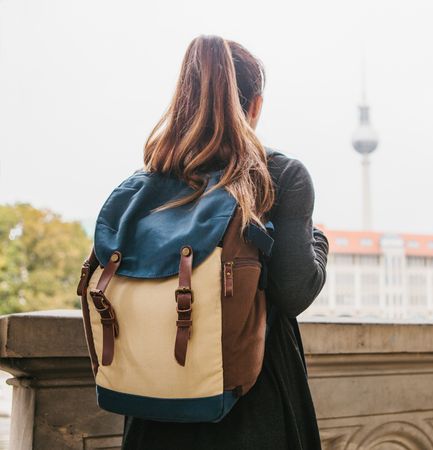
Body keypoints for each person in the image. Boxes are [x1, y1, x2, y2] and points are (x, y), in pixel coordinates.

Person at [120, 35, 329, 450]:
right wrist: (318, 241)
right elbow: (294, 292)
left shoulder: (148, 182)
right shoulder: (279, 175)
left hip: (154, 400)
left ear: (186, 100)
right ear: (255, 106)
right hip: (251, 398)